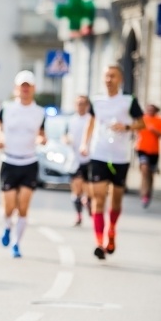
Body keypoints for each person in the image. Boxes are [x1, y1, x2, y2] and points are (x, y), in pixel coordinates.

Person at [80, 64, 144, 260]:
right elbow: (91, 123)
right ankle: (99, 242)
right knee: (98, 199)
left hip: (120, 158)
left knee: (115, 202)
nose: (109, 80)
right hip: (99, 155)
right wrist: (84, 144)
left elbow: (142, 123)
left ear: (120, 79)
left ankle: (111, 231)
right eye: (106, 76)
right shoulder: (97, 101)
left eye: (113, 76)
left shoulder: (129, 100)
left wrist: (126, 126)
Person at [0, 70, 46, 258]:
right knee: (8, 207)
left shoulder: (40, 112)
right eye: (22, 86)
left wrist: (41, 139)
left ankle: (16, 244)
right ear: (16, 88)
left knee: (23, 207)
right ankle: (6, 226)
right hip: (9, 162)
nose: (25, 89)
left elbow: (42, 134)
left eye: (28, 86)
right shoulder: (6, 108)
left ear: (33, 88)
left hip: (29, 162)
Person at [64, 95, 92, 225]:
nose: (80, 106)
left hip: (90, 159)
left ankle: (88, 202)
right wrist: (66, 140)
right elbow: (65, 135)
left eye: (83, 103)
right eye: (78, 104)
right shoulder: (71, 120)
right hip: (75, 159)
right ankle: (79, 215)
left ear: (87, 105)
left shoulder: (91, 119)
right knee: (76, 188)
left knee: (89, 189)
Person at [137, 103, 161, 207]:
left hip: (154, 151)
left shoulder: (160, 121)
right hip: (142, 149)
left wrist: (155, 131)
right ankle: (143, 193)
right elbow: (135, 129)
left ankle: (148, 193)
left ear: (155, 111)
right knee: (144, 170)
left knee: (150, 174)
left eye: (152, 109)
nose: (150, 111)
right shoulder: (142, 119)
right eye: (148, 109)